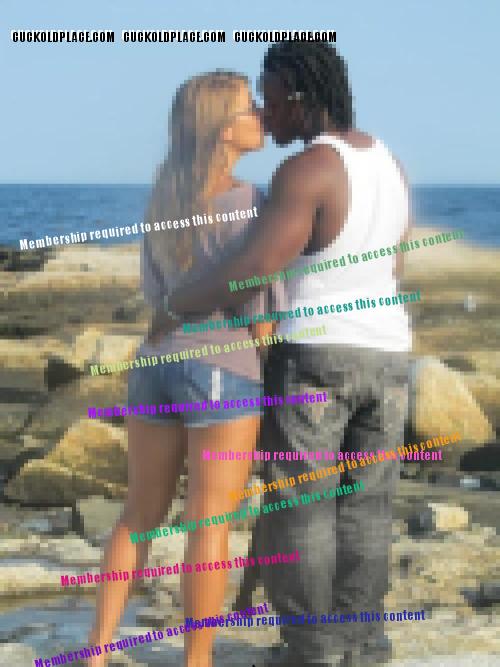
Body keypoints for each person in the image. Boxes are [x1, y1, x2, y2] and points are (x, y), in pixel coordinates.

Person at [159, 42, 412, 666]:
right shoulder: (388, 162)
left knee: (304, 510)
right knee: (367, 508)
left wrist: (178, 302)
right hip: (388, 356)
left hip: (317, 357)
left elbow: (255, 268)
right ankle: (362, 644)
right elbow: (396, 263)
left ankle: (312, 650)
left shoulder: (307, 171)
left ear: (298, 96)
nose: (266, 114)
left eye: (270, 99)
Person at [87, 70, 277, 667]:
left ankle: (97, 650)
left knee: (138, 514)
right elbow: (259, 307)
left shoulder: (162, 198)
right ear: (223, 127)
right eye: (250, 108)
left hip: (155, 366)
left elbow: (154, 292)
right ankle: (197, 661)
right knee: (209, 525)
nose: (262, 114)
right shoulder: (252, 203)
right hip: (222, 366)